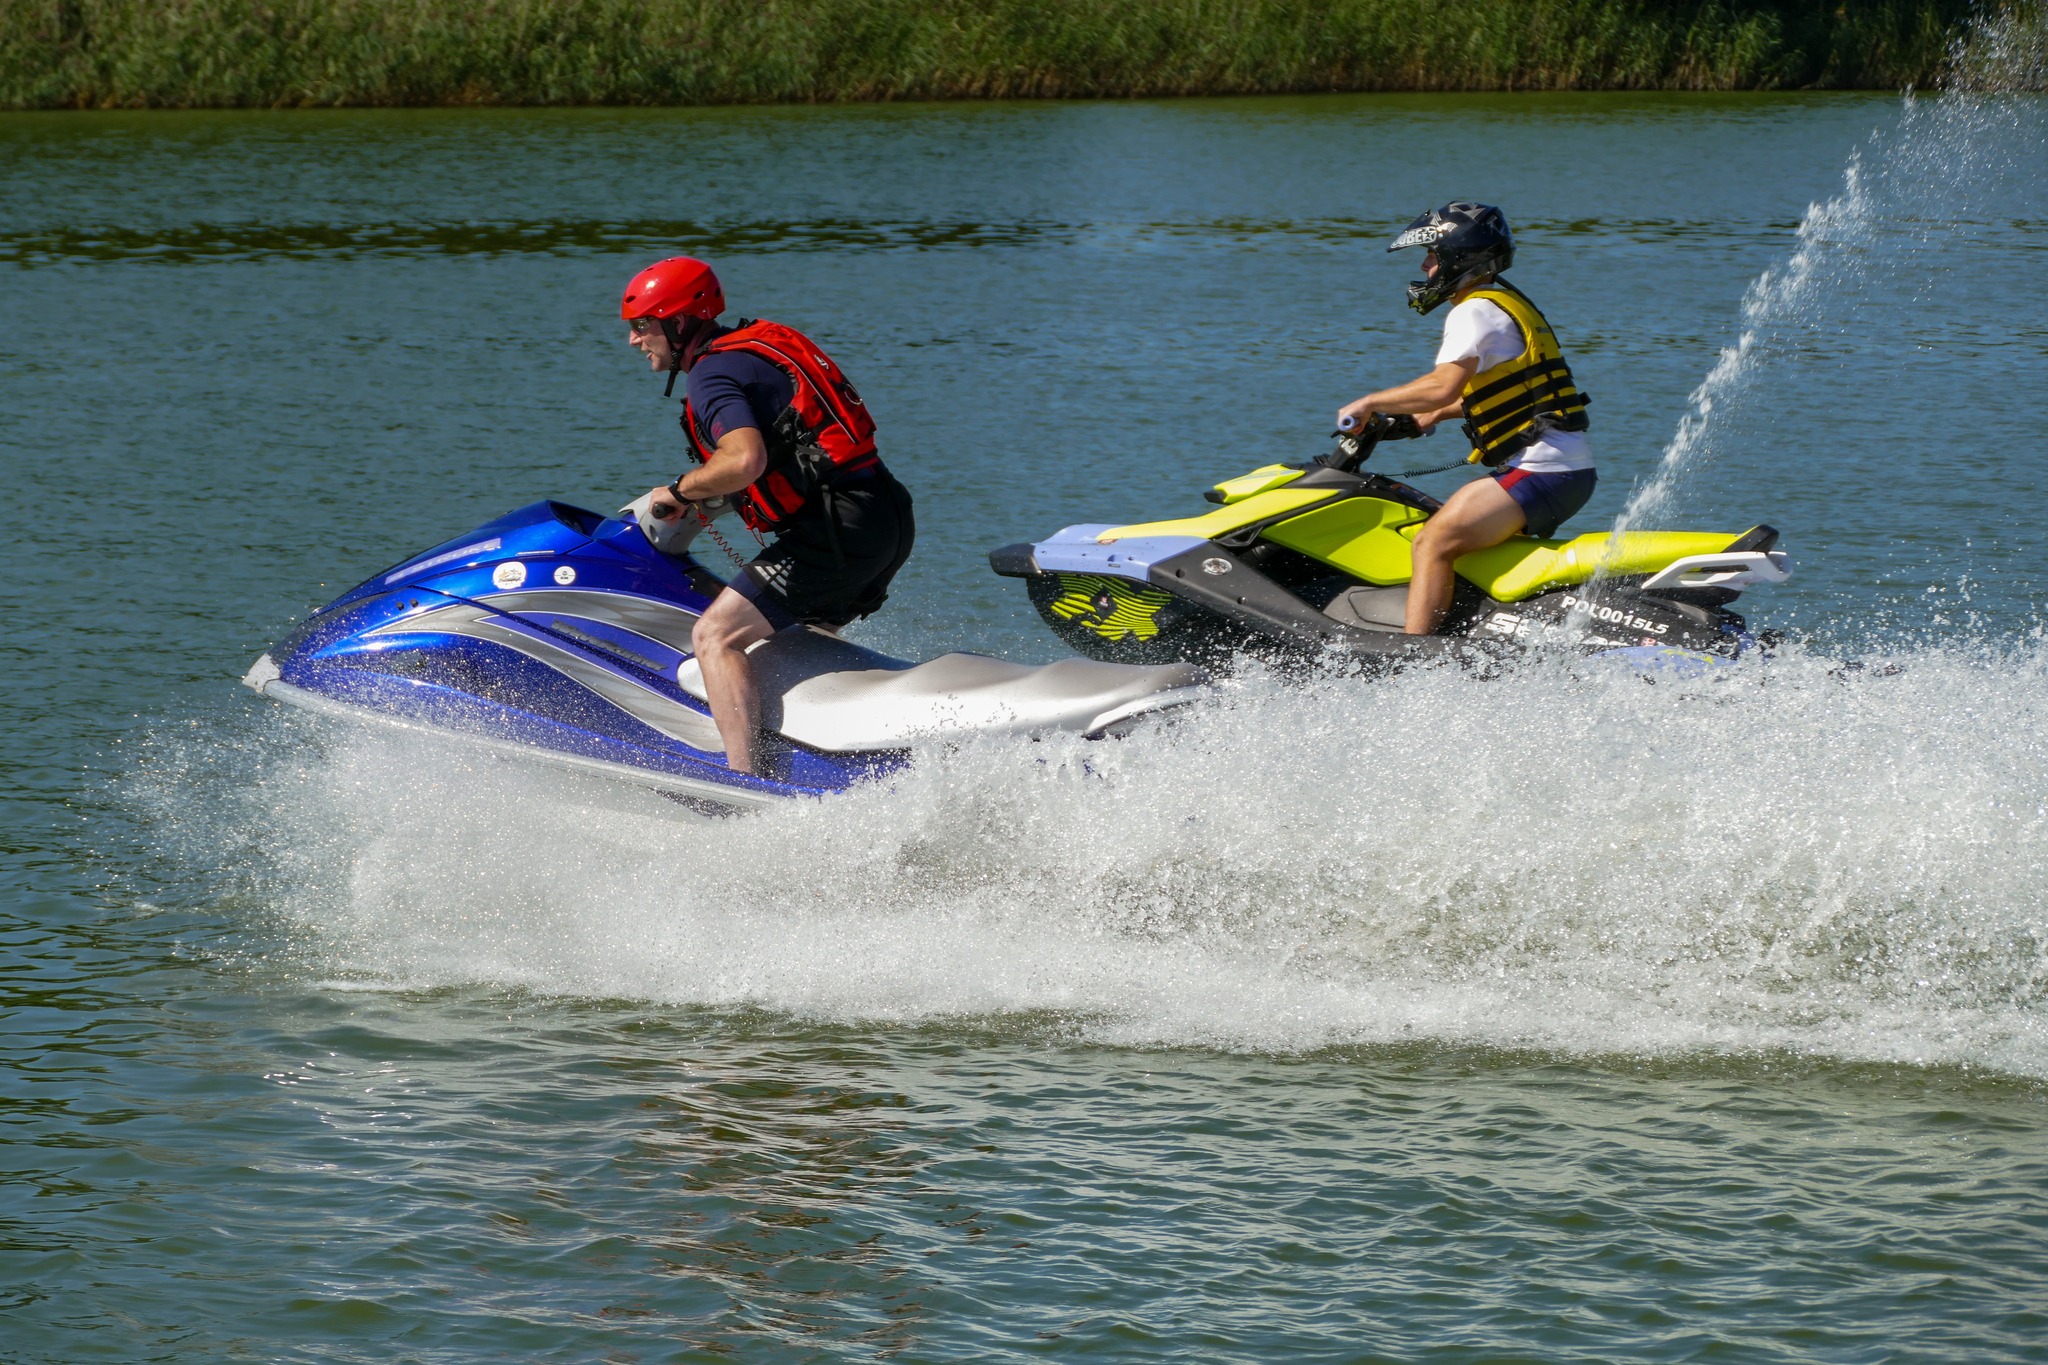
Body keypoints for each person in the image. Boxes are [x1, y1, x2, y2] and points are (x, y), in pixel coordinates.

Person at [621, 256, 915, 776]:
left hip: (835, 530)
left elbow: (744, 460)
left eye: (644, 325)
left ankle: (744, 777)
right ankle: (832, 756)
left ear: (679, 322)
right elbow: (792, 456)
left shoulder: (710, 375)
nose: (635, 340)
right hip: (884, 513)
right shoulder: (756, 346)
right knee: (800, 641)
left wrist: (680, 490)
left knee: (715, 636)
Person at [1336, 202, 1594, 636]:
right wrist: (1425, 418)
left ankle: (1413, 656)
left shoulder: (1473, 310)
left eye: (1433, 256)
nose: (1424, 266)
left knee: (1433, 542)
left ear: (1459, 258)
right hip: (1564, 469)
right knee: (1451, 533)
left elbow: (1443, 385)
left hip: (1543, 470)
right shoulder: (1504, 303)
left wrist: (1369, 403)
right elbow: (1497, 394)